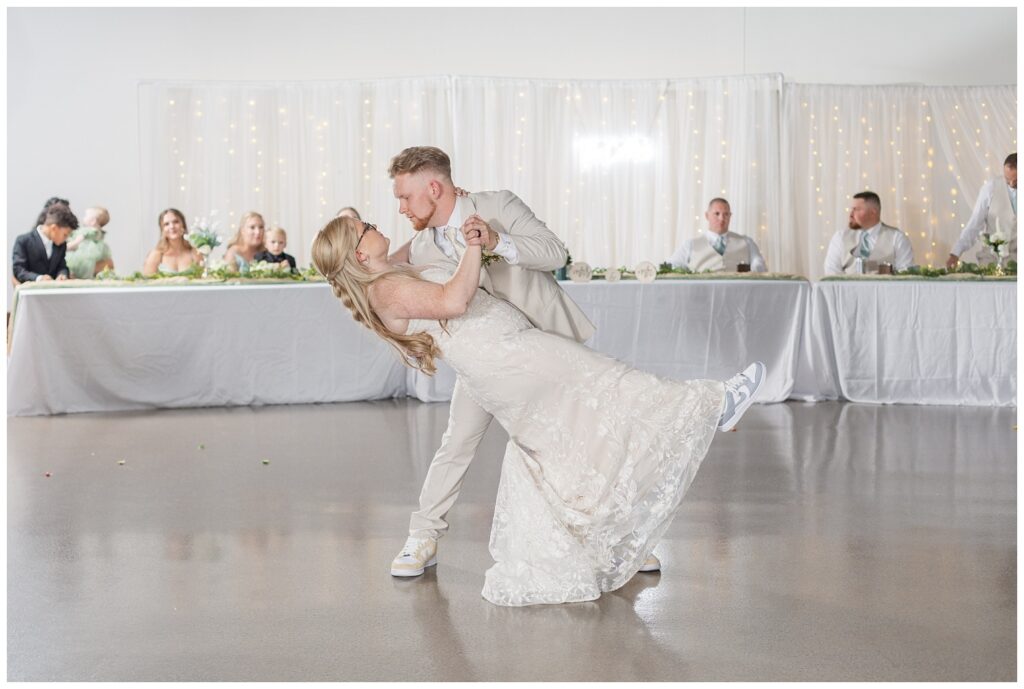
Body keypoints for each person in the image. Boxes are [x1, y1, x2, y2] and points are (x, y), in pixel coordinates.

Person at [312, 215, 766, 605]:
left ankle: (605, 540)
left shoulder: (390, 271)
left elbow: (429, 238)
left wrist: (450, 222)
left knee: (560, 446)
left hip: (500, 356)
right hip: (507, 356)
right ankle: (714, 404)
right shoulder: (386, 290)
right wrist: (474, 245)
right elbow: (453, 300)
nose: (375, 224)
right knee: (606, 381)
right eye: (364, 228)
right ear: (358, 254)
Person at [384, 146, 618, 574]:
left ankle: (615, 541)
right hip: (487, 361)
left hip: (548, 344)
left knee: (574, 443)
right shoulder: (420, 247)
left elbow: (555, 253)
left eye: (404, 197)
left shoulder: (498, 205)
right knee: (456, 443)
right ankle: (423, 538)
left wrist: (498, 242)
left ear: (433, 187)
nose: (399, 207)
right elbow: (378, 264)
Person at [946, 153, 1017, 269]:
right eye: (1007, 179)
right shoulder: (991, 187)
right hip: (991, 260)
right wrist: (955, 253)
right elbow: (974, 224)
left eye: (1016, 180)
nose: (1011, 184)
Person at [823, 191, 914, 275]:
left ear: (873, 212)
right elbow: (832, 271)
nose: (851, 214)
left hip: (884, 292)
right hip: (847, 291)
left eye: (856, 209)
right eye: (851, 209)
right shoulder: (840, 237)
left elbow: (905, 272)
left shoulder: (897, 237)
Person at [668, 198, 768, 272]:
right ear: (707, 216)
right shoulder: (690, 244)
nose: (721, 218)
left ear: (730, 216)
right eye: (717, 213)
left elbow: (759, 265)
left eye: (726, 214)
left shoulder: (747, 242)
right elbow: (672, 266)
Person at [12, 205, 78, 283]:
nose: (66, 239)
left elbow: (62, 266)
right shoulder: (23, 241)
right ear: (54, 228)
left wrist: (62, 274)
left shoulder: (61, 245)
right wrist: (38, 278)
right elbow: (19, 270)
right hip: (31, 292)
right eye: (65, 235)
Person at [142, 208, 201, 276]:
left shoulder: (194, 253)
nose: (172, 226)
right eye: (166, 224)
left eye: (176, 222)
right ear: (162, 229)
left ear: (183, 225)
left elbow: (205, 281)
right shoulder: (156, 255)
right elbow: (146, 282)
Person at [66, 206, 114, 278]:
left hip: (82, 258)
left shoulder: (86, 232)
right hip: (92, 262)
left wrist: (72, 244)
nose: (84, 218)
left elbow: (76, 242)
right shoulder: (99, 236)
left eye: (86, 215)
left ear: (93, 221)